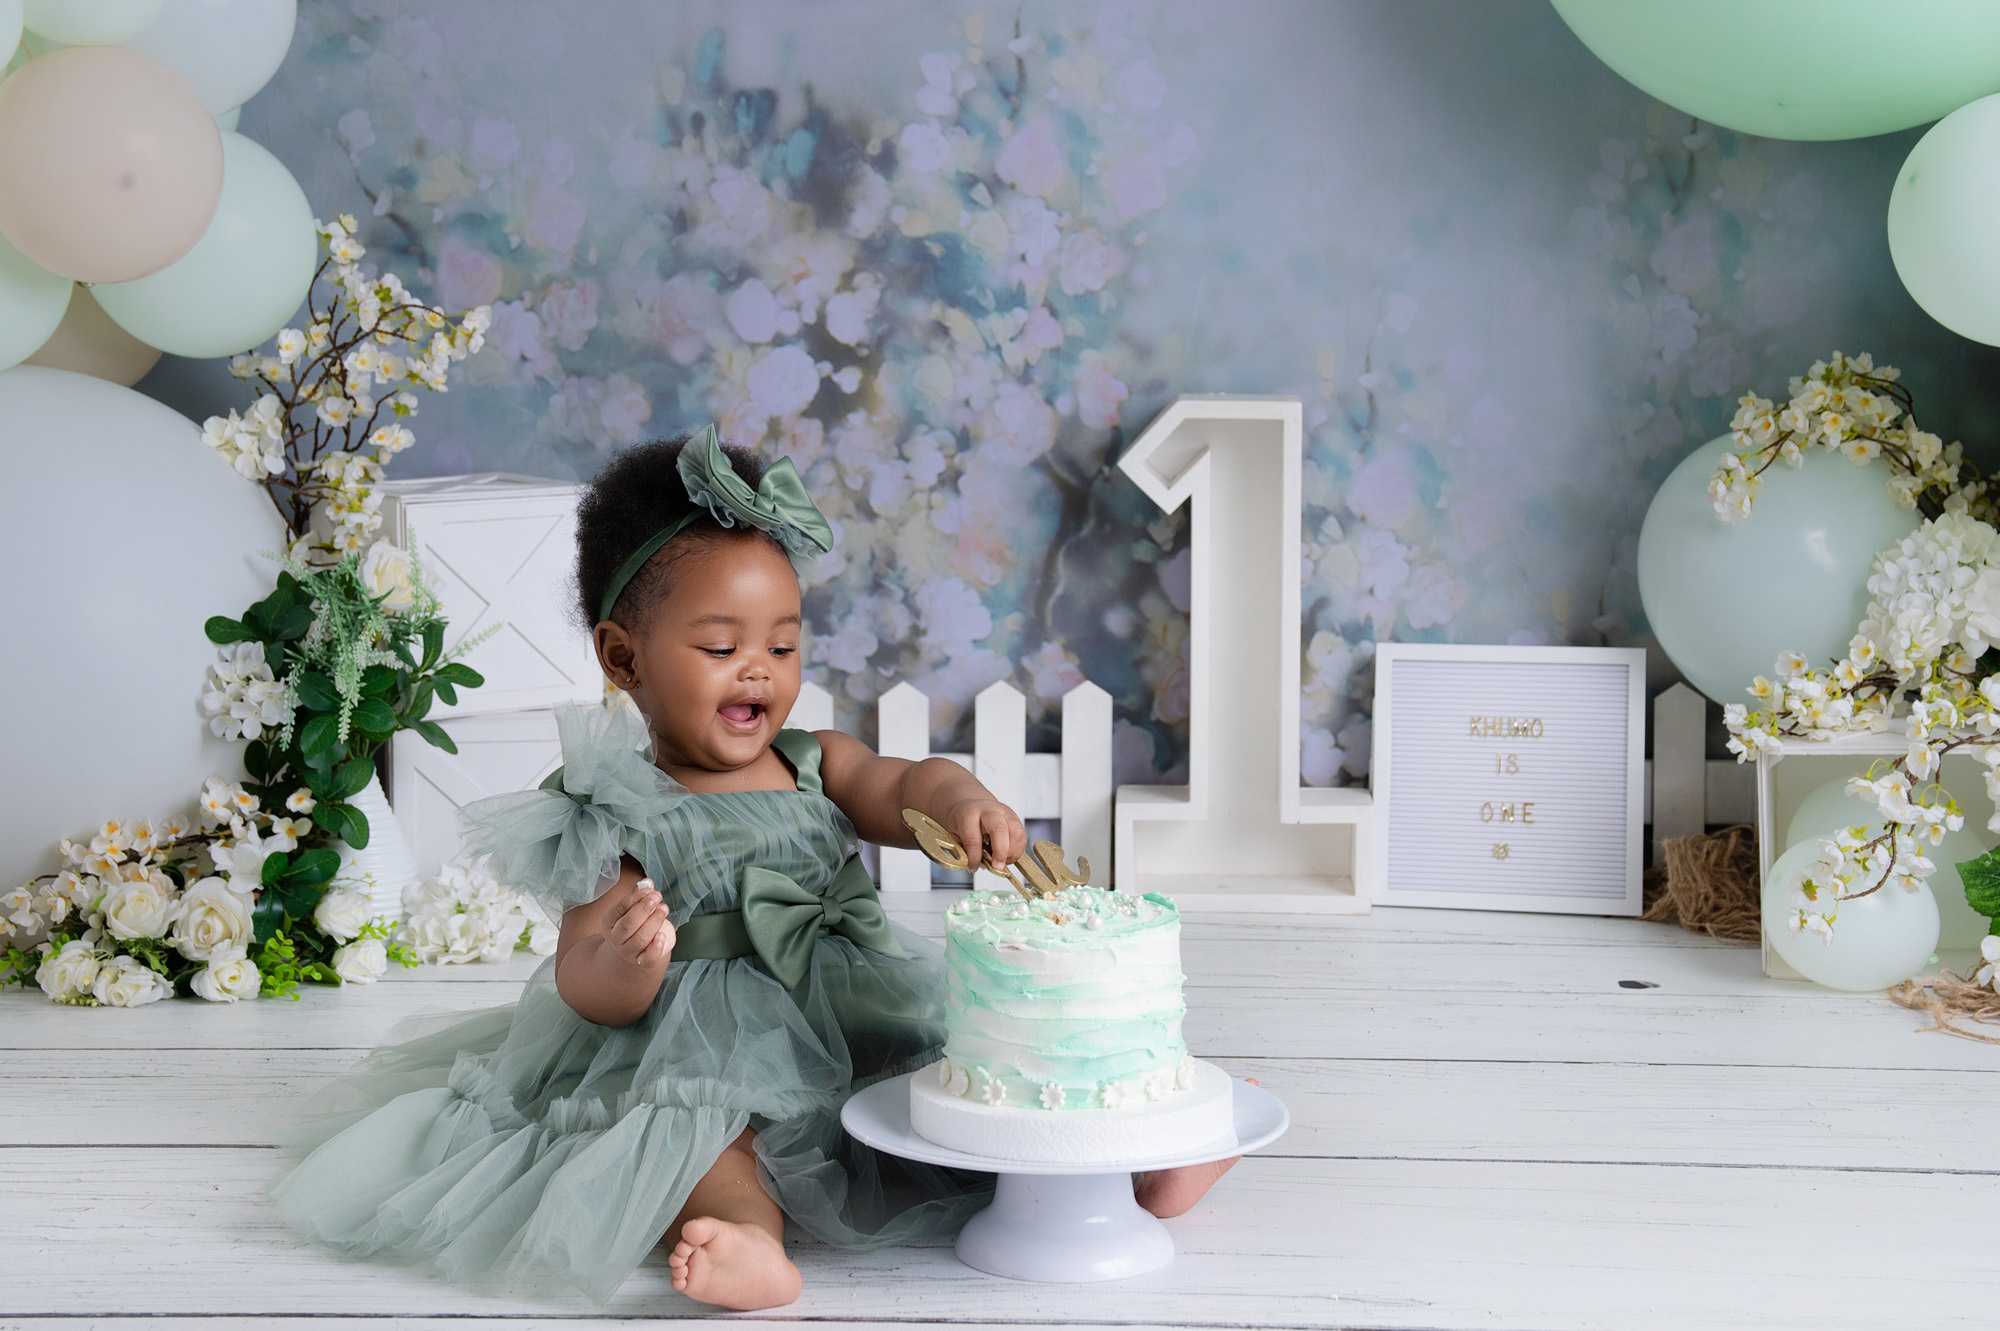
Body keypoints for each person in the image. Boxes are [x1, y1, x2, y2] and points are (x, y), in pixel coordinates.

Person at [264, 425, 1237, 1312]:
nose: (759, 669)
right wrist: (627, 961)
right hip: (701, 1032)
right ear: (622, 656)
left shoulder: (815, 759)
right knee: (714, 1132)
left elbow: (901, 777)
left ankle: (1123, 1176)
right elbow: (580, 972)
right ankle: (745, 1234)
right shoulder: (616, 795)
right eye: (720, 645)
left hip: (850, 999)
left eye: (781, 642)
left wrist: (956, 801)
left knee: (952, 1087)